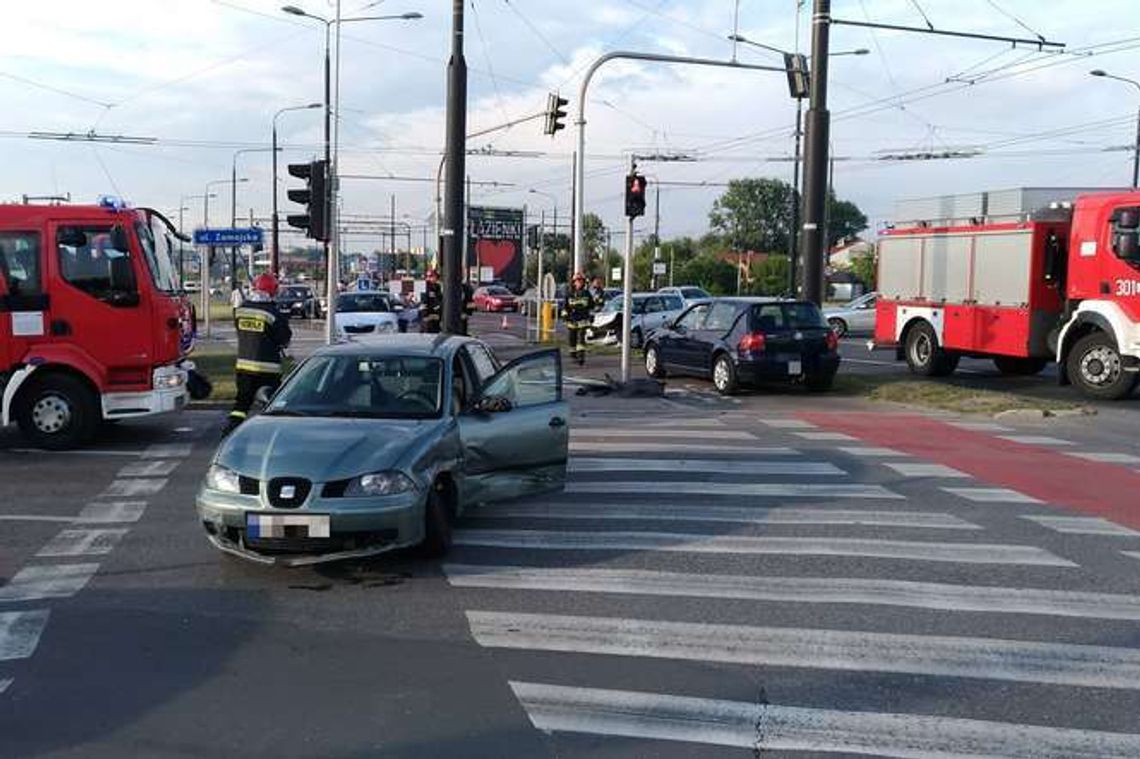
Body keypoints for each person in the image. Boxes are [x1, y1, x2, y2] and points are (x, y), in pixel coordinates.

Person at [223, 273, 292, 436]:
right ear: (272, 291)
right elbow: (284, 340)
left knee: (241, 405)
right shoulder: (274, 314)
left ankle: (229, 432)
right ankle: (270, 436)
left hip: (244, 368)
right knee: (271, 405)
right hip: (268, 370)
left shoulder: (241, 311)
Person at [561, 271, 593, 366]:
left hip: (582, 320)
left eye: (581, 281)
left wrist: (590, 315)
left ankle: (581, 357)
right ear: (574, 282)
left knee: (581, 339)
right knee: (572, 339)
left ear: (583, 282)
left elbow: (591, 305)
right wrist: (565, 316)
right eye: (577, 281)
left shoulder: (586, 294)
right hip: (572, 320)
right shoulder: (569, 294)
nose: (579, 283)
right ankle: (573, 354)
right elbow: (565, 307)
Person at [420, 268, 442, 334]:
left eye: (431, 276)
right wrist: (425, 316)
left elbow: (439, 301)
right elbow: (423, 303)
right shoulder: (424, 287)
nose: (428, 278)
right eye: (427, 276)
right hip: (427, 319)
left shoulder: (437, 287)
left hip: (436, 319)